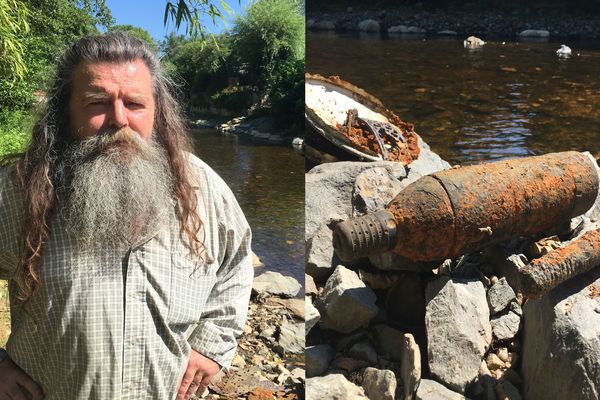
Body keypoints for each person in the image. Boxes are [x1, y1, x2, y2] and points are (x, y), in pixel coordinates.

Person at [0, 32, 253, 400]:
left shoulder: (202, 188)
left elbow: (235, 261)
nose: (118, 119)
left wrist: (212, 343)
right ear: (65, 109)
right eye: (96, 102)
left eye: (134, 103)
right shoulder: (21, 190)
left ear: (157, 110)